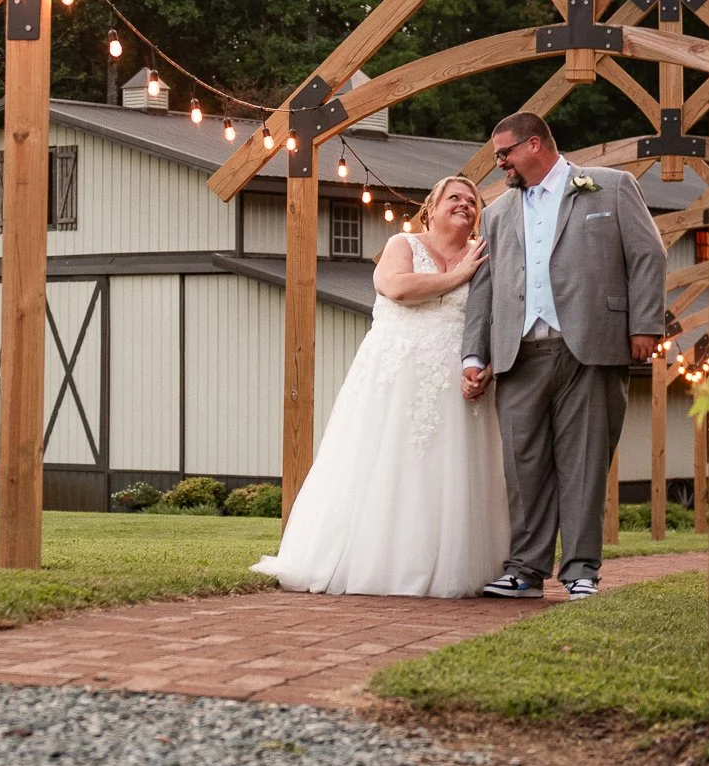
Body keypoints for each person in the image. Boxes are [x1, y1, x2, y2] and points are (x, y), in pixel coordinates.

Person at [253, 176, 510, 597]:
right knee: (386, 462)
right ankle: (375, 561)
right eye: (455, 197)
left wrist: (486, 366)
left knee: (450, 470)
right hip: (396, 374)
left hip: (455, 381)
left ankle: (450, 564)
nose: (465, 204)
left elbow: (492, 317)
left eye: (472, 200)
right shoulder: (403, 245)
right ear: (431, 206)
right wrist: (459, 274)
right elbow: (396, 287)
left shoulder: (483, 255)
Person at [461, 112, 667, 600]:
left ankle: (580, 571)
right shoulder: (495, 213)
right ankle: (525, 571)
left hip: (592, 346)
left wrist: (644, 325)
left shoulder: (610, 188)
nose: (499, 164)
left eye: (504, 153)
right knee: (522, 464)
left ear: (535, 144)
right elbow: (483, 290)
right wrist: (474, 354)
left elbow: (648, 255)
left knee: (584, 463)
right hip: (518, 352)